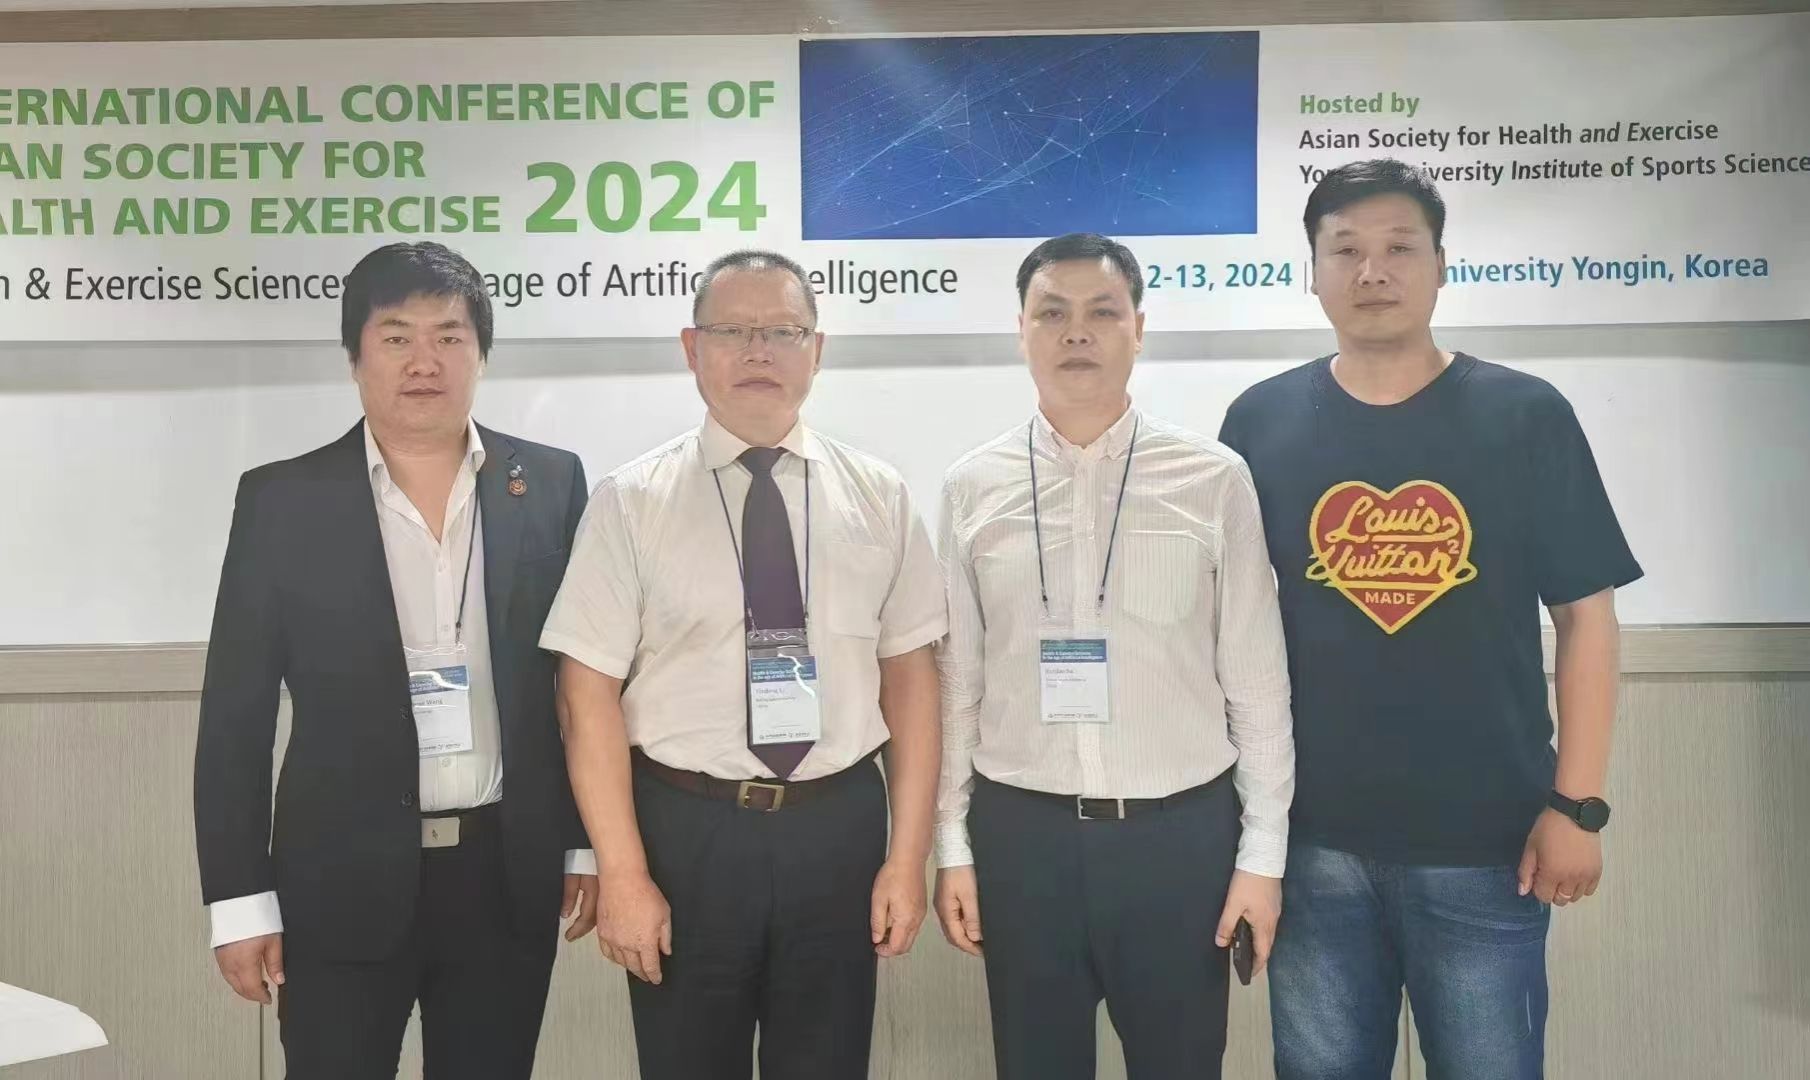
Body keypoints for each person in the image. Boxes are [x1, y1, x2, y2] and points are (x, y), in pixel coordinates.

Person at [1218, 159, 1643, 1080]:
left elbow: (1587, 617)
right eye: (1346, 251)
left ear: (1442, 266)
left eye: (1400, 248)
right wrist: (1250, 835)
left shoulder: (1525, 415)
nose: (1373, 271)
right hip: (1312, 845)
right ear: (1312, 273)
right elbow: (1228, 636)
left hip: (1488, 846)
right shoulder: (1258, 424)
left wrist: (1578, 805)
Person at [193, 241, 597, 1080]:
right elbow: (236, 717)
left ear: (481, 353)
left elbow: (577, 688)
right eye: (397, 337)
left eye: (450, 336)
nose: (425, 361)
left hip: (503, 876)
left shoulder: (551, 483)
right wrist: (238, 899)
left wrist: (581, 845)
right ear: (355, 357)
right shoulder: (282, 501)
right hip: (336, 880)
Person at [542, 249, 946, 1079]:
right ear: (692, 348)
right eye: (733, 331)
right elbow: (586, 698)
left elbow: (911, 682)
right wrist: (623, 871)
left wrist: (907, 858)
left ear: (817, 350)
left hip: (837, 828)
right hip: (685, 831)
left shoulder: (880, 496)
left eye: (783, 331)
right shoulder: (631, 500)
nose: (758, 350)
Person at [933, 232, 1295, 1080]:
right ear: (1021, 330)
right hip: (1023, 841)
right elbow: (957, 686)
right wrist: (952, 844)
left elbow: (1257, 686)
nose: (1076, 332)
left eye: (1102, 312)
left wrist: (1261, 859)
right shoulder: (970, 486)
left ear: (1139, 328)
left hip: (1179, 842)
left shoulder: (1214, 479)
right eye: (1051, 313)